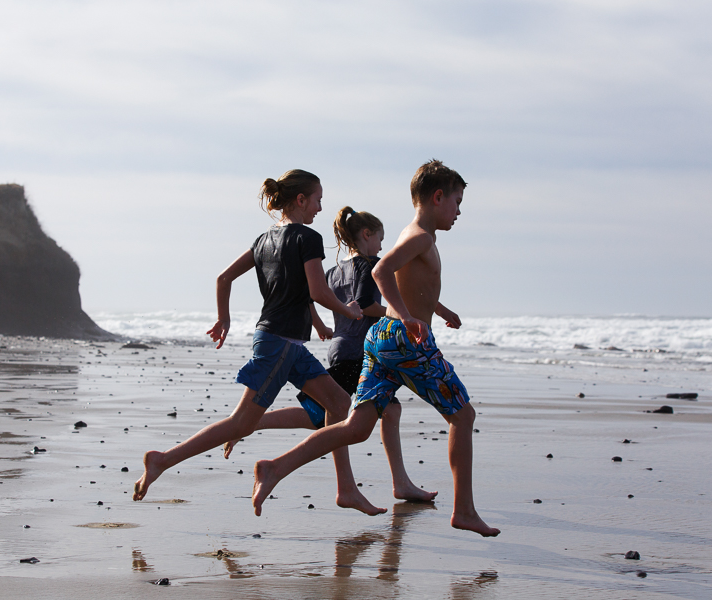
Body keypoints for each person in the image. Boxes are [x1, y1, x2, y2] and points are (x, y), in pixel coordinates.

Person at [251, 160, 500, 537]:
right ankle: (463, 510)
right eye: (457, 201)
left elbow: (415, 286)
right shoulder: (420, 237)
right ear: (437, 197)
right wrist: (405, 316)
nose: (459, 211)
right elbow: (381, 273)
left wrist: (440, 309)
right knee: (462, 416)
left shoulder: (413, 234)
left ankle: (276, 467)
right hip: (405, 340)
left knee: (357, 426)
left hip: (381, 338)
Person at [133, 169, 386, 515]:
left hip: (284, 342)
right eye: (317, 200)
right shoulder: (307, 238)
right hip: (279, 344)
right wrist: (349, 310)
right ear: (300, 200)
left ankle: (346, 489)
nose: (319, 208)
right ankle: (163, 460)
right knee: (241, 423)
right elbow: (317, 291)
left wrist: (224, 318)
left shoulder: (262, 240)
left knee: (340, 405)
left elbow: (225, 278)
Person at [223, 206, 437, 503]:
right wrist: (401, 317)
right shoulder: (368, 264)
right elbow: (365, 303)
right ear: (366, 234)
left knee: (382, 410)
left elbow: (308, 294)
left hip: (340, 346)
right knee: (323, 415)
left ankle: (400, 483)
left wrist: (320, 323)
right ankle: (248, 425)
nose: (381, 246)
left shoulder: (335, 271)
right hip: (359, 351)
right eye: (379, 239)